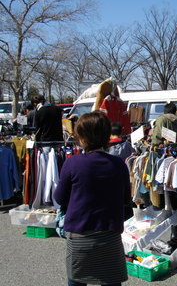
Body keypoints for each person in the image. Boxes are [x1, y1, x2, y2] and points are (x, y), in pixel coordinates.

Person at [54, 111, 131, 286]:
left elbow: (59, 198)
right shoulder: (119, 164)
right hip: (109, 236)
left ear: (82, 137)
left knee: (77, 280)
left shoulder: (73, 163)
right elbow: (126, 199)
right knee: (111, 280)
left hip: (80, 236)